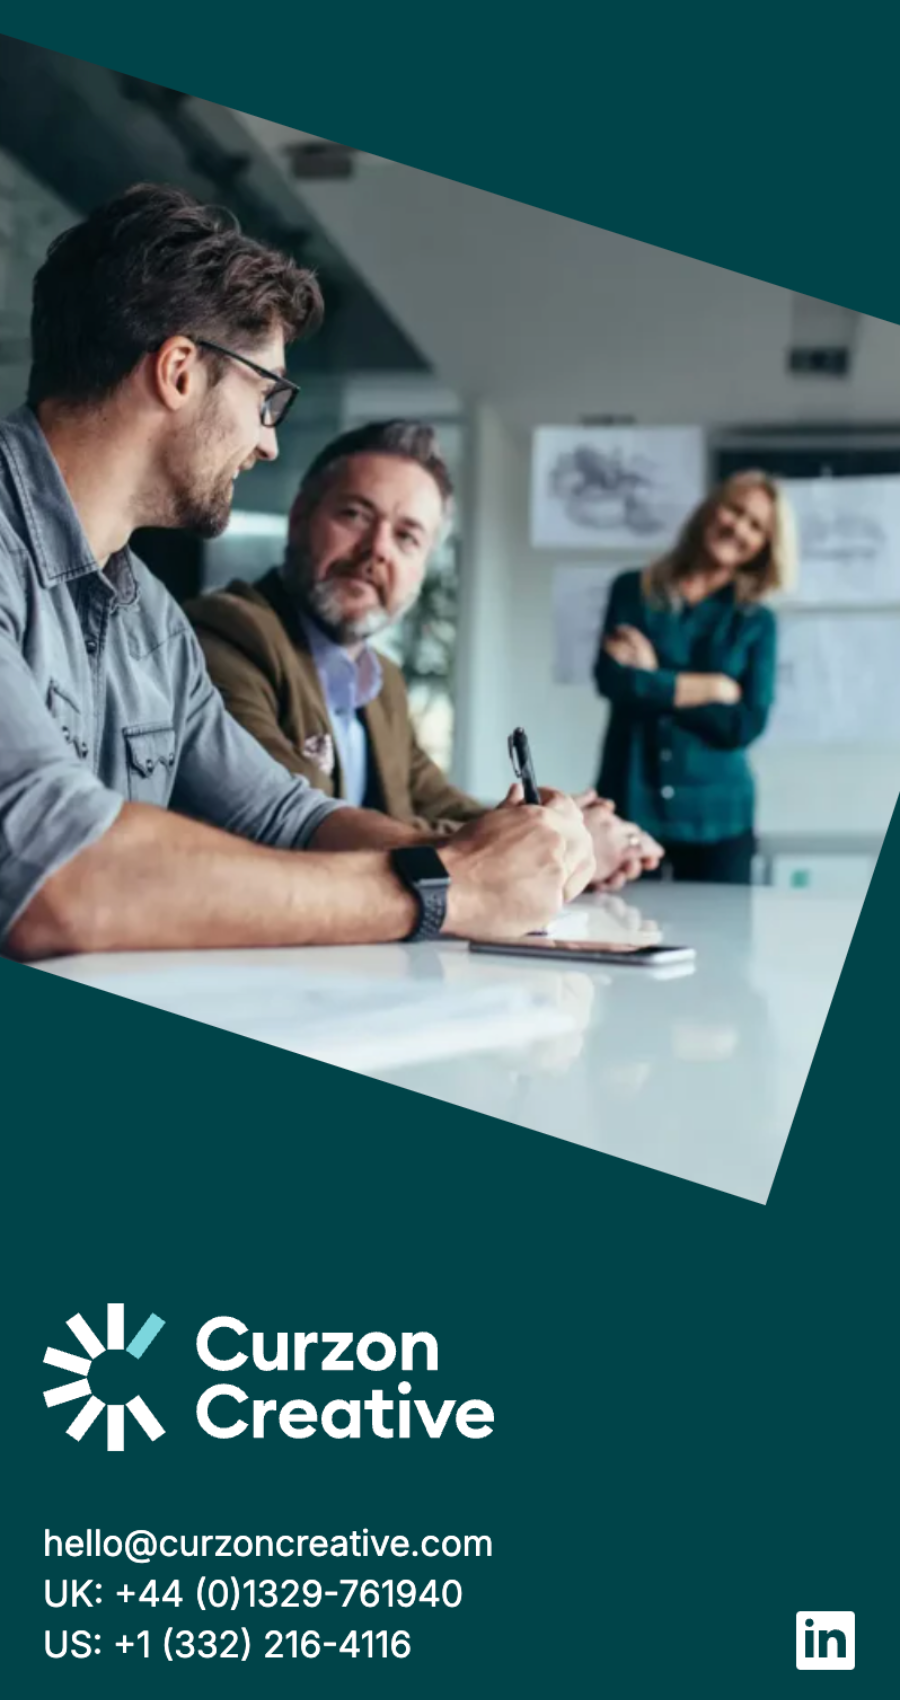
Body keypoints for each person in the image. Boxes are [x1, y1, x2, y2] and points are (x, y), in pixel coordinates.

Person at [0, 184, 597, 962]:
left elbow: (288, 817)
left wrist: (496, 854)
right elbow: (59, 879)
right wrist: (447, 885)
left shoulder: (148, 617)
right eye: (267, 396)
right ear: (180, 371)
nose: (269, 443)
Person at [186, 420, 661, 888]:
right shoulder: (230, 635)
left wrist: (565, 823)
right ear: (300, 518)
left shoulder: (381, 681)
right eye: (354, 515)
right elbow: (297, 824)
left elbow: (440, 804)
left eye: (407, 537)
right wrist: (554, 846)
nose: (376, 550)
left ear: (422, 566)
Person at [593, 471, 796, 884]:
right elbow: (614, 682)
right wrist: (711, 688)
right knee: (620, 937)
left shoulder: (756, 621)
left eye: (756, 526)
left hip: (717, 819)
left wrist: (653, 677)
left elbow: (743, 723)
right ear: (711, 508)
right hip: (631, 803)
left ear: (764, 547)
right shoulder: (632, 591)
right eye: (735, 510)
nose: (739, 527)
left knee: (723, 946)